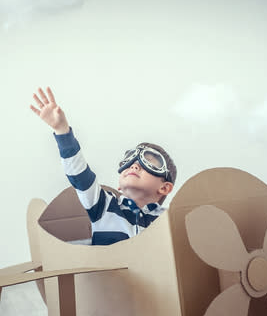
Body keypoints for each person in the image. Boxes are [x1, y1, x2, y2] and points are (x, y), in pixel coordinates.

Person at [30, 87, 177, 245]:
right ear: (119, 186)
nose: (134, 166)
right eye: (129, 161)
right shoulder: (104, 204)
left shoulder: (170, 219)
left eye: (150, 162)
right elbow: (80, 176)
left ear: (164, 188)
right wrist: (62, 131)